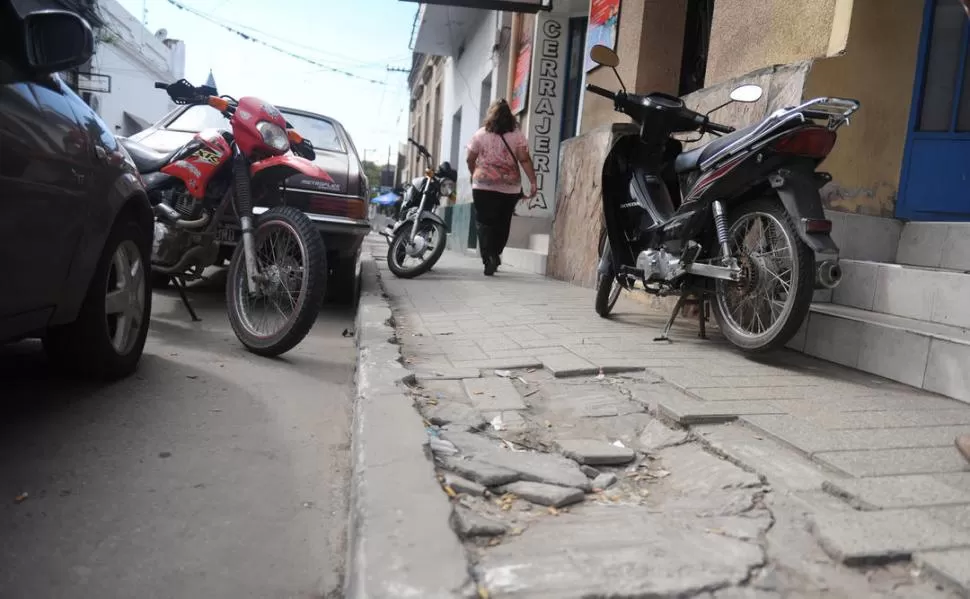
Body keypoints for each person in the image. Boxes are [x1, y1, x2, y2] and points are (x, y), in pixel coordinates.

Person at [466, 99, 538, 276]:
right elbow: (524, 160)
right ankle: (495, 252)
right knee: (502, 222)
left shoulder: (480, 134)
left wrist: (474, 172)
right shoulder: (517, 136)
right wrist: (533, 181)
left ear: (491, 115)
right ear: (509, 117)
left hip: (482, 185)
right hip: (509, 187)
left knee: (483, 222)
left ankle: (488, 257)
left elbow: (470, 158)